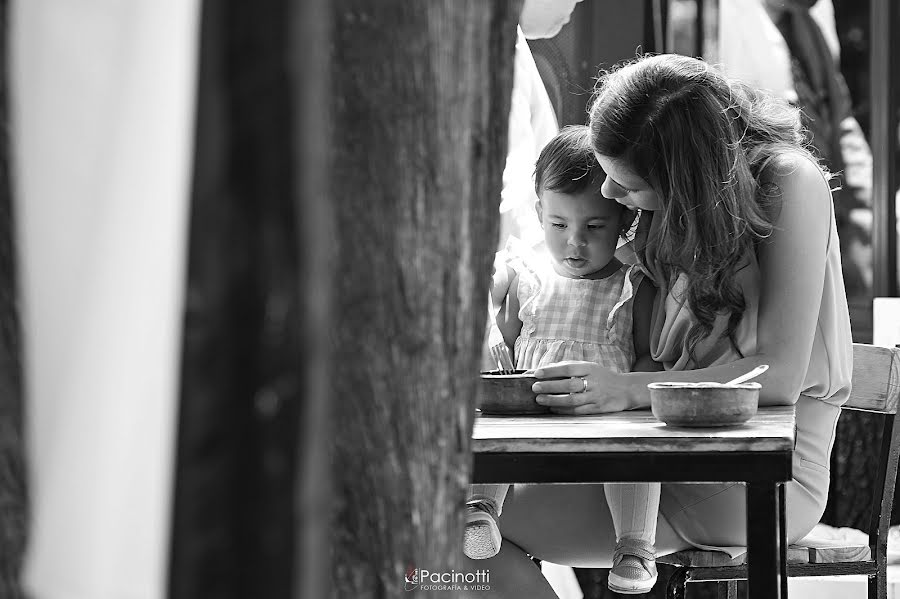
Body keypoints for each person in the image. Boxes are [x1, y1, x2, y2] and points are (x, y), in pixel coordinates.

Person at [461, 54, 853, 599]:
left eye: (628, 186)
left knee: (447, 527)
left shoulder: (787, 181)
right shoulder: (670, 213)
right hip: (653, 451)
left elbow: (779, 377)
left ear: (684, 177)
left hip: (755, 473)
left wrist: (623, 390)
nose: (609, 197)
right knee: (450, 514)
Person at [466, 126, 663, 594]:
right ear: (539, 213)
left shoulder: (633, 284)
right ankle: (480, 509)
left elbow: (645, 363)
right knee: (493, 424)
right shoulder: (524, 273)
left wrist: (635, 401)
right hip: (529, 423)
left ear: (623, 222)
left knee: (637, 455)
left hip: (601, 427)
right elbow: (486, 322)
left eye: (593, 227)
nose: (574, 243)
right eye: (559, 225)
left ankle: (634, 545)